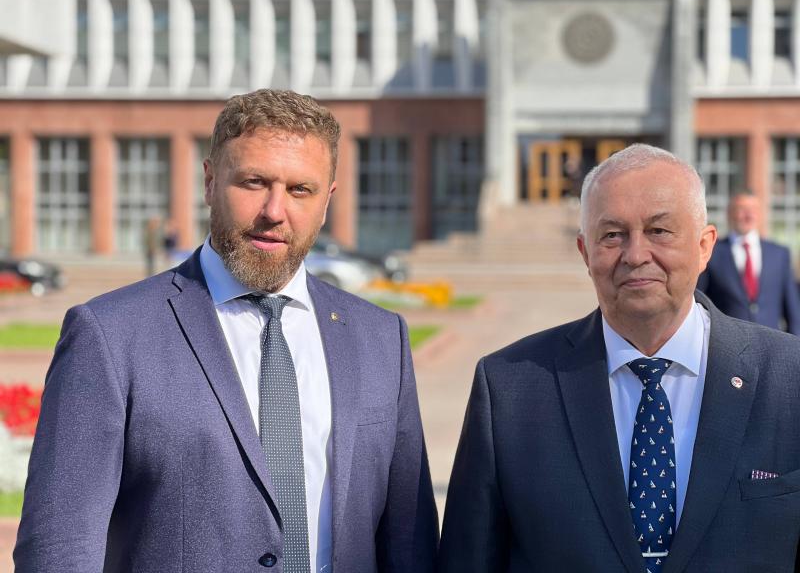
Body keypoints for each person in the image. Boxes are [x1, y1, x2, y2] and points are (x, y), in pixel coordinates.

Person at [14, 89, 438, 572]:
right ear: (210, 181)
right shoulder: (111, 335)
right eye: (254, 182)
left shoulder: (381, 339)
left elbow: (410, 544)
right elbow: (59, 547)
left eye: (300, 190)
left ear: (327, 201)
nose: (274, 211)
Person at [438, 144, 800, 572]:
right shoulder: (509, 389)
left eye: (659, 230)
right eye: (612, 235)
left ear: (705, 246)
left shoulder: (789, 378)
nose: (636, 254)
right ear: (585, 252)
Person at [697, 191, 800, 334]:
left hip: (770, 342)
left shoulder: (779, 254)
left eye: (753, 210)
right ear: (729, 213)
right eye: (742, 209)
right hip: (728, 340)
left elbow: (793, 310)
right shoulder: (712, 252)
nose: (748, 215)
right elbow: (700, 302)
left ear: (760, 214)